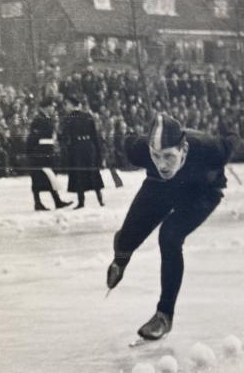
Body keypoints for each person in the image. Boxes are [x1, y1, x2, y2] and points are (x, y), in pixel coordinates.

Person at [106, 114, 240, 341]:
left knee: (169, 237)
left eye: (169, 156)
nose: (162, 164)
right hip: (161, 187)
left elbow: (233, 139)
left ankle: (164, 315)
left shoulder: (210, 148)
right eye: (156, 156)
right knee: (127, 237)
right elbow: (126, 139)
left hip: (202, 193)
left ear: (184, 150)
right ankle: (121, 258)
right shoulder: (139, 151)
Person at [26, 98, 72, 211]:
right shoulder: (38, 120)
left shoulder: (45, 119)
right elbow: (33, 138)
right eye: (51, 106)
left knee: (49, 177)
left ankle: (56, 201)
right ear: (45, 107)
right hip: (40, 153)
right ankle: (39, 203)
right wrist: (33, 152)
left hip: (46, 152)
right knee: (40, 178)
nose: (53, 108)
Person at [60, 96, 104, 209]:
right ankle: (100, 199)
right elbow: (95, 136)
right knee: (93, 173)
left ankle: (81, 202)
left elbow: (64, 136)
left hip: (77, 148)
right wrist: (99, 153)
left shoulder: (68, 118)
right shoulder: (88, 116)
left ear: (71, 105)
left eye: (67, 104)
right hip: (89, 147)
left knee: (79, 174)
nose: (65, 107)